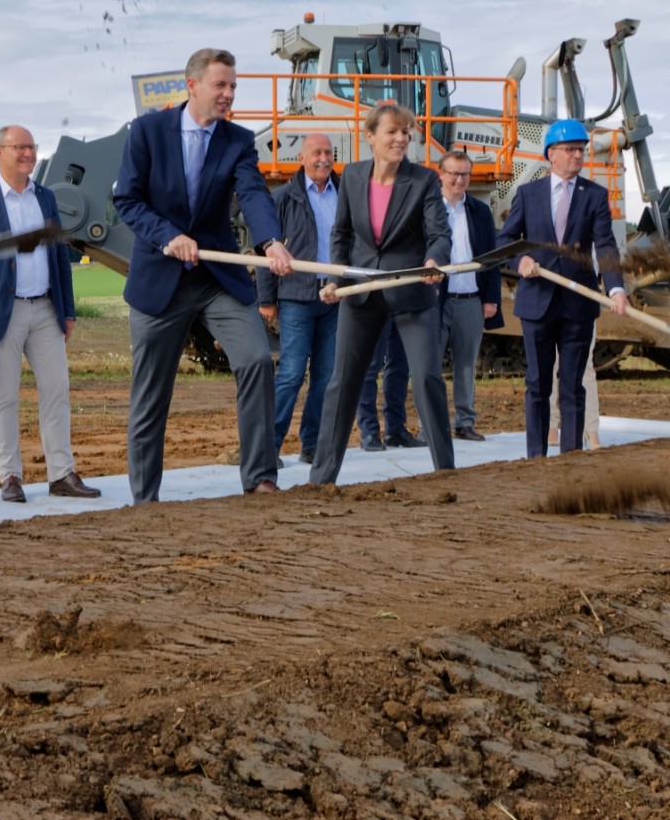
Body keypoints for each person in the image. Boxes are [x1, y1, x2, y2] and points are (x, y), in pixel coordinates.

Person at [114, 48, 293, 503]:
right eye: (221, 85)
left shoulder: (238, 140)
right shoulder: (147, 132)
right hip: (160, 280)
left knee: (255, 360)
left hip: (217, 278)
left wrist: (270, 242)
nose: (229, 94)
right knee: (152, 391)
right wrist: (168, 235)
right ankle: (145, 499)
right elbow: (127, 200)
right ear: (192, 85)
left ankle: (260, 477)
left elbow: (252, 194)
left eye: (233, 86)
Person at [307, 101, 454, 485]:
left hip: (410, 290)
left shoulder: (423, 180)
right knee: (343, 381)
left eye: (406, 132)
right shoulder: (353, 176)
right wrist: (336, 280)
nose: (401, 138)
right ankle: (321, 479)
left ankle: (446, 472)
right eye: (392, 131)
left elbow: (439, 233)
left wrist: (434, 259)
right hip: (361, 292)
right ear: (370, 136)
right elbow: (341, 234)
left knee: (427, 378)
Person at [0, 125, 97, 503]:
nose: (28, 154)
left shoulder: (46, 198)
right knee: (4, 396)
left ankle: (61, 474)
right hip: (1, 314)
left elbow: (60, 257)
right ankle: (10, 477)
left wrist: (68, 311)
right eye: (19, 147)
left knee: (57, 391)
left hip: (46, 309)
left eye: (32, 148)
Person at [497, 118, 628, 457]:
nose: (578, 155)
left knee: (572, 384)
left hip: (577, 305)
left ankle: (571, 458)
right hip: (537, 303)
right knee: (538, 385)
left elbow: (606, 244)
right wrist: (521, 261)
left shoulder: (595, 195)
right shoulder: (528, 194)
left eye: (581, 150)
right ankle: (536, 457)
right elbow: (506, 240)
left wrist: (615, 288)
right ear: (551, 154)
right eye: (570, 149)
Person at [259, 132, 341, 463]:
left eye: (328, 152)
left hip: (334, 296)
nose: (323, 158)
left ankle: (312, 444)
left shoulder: (344, 195)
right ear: (301, 158)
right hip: (296, 297)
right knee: (292, 373)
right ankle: (270, 445)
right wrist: (267, 298)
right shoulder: (282, 198)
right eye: (316, 152)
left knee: (326, 375)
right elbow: (264, 250)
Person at [434, 148, 503, 442]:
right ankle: (432, 426)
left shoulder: (480, 212)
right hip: (435, 302)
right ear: (441, 175)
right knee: (430, 367)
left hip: (470, 300)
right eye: (453, 174)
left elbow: (491, 257)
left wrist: (491, 299)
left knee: (465, 366)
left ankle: (465, 422)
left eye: (464, 174)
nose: (459, 180)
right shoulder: (429, 210)